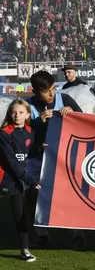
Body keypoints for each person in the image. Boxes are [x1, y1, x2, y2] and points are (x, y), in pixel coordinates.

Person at [26, 70, 84, 247]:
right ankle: (42, 233)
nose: (52, 94)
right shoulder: (26, 107)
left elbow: (86, 124)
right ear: (35, 91)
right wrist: (37, 123)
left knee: (71, 192)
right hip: (37, 159)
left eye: (53, 88)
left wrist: (74, 113)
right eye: (46, 91)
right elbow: (21, 136)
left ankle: (78, 232)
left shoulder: (64, 99)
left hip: (64, 157)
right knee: (34, 195)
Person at [0, 99, 39, 262]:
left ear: (28, 114)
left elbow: (29, 154)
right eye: (14, 112)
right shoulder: (3, 133)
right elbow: (11, 162)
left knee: (20, 215)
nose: (17, 115)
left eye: (21, 112)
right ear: (9, 113)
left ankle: (24, 250)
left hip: (17, 180)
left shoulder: (30, 131)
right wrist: (30, 180)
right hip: (4, 177)